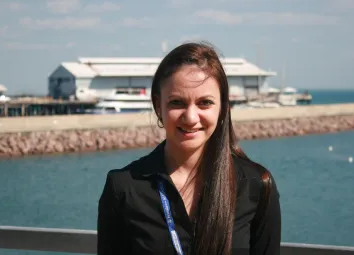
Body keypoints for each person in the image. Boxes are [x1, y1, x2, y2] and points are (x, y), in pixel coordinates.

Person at [97, 42, 281, 255]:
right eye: (177, 102)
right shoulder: (123, 188)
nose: (191, 117)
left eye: (205, 103)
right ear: (159, 106)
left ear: (222, 108)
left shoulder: (257, 185)